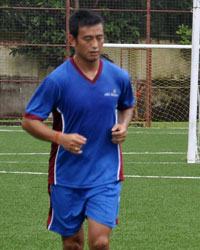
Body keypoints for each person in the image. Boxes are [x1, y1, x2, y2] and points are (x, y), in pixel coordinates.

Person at [22, 9, 134, 250]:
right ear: (72, 40)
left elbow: (128, 106)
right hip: (66, 176)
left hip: (106, 173)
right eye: (88, 38)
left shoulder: (118, 77)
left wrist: (123, 126)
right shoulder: (57, 80)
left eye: (100, 38)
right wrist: (59, 137)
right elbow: (29, 120)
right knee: (73, 244)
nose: (95, 45)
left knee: (100, 242)